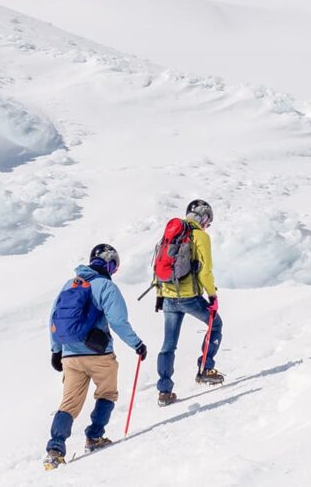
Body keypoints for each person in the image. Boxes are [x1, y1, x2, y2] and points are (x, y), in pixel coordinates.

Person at [43, 243, 147, 470]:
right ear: (110, 265)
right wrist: (137, 344)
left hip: (70, 355)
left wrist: (56, 351)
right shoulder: (106, 287)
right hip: (100, 354)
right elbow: (118, 322)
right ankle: (95, 436)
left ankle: (55, 448)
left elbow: (53, 319)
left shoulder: (69, 284)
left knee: (69, 403)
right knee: (107, 393)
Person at [155, 199, 224, 406]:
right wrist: (212, 296)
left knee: (168, 345)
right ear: (203, 218)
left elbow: (158, 266)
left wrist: (160, 295)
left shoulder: (170, 233)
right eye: (208, 221)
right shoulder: (200, 236)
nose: (207, 225)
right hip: (189, 297)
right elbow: (205, 270)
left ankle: (164, 392)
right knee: (216, 325)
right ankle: (205, 368)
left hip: (168, 296)